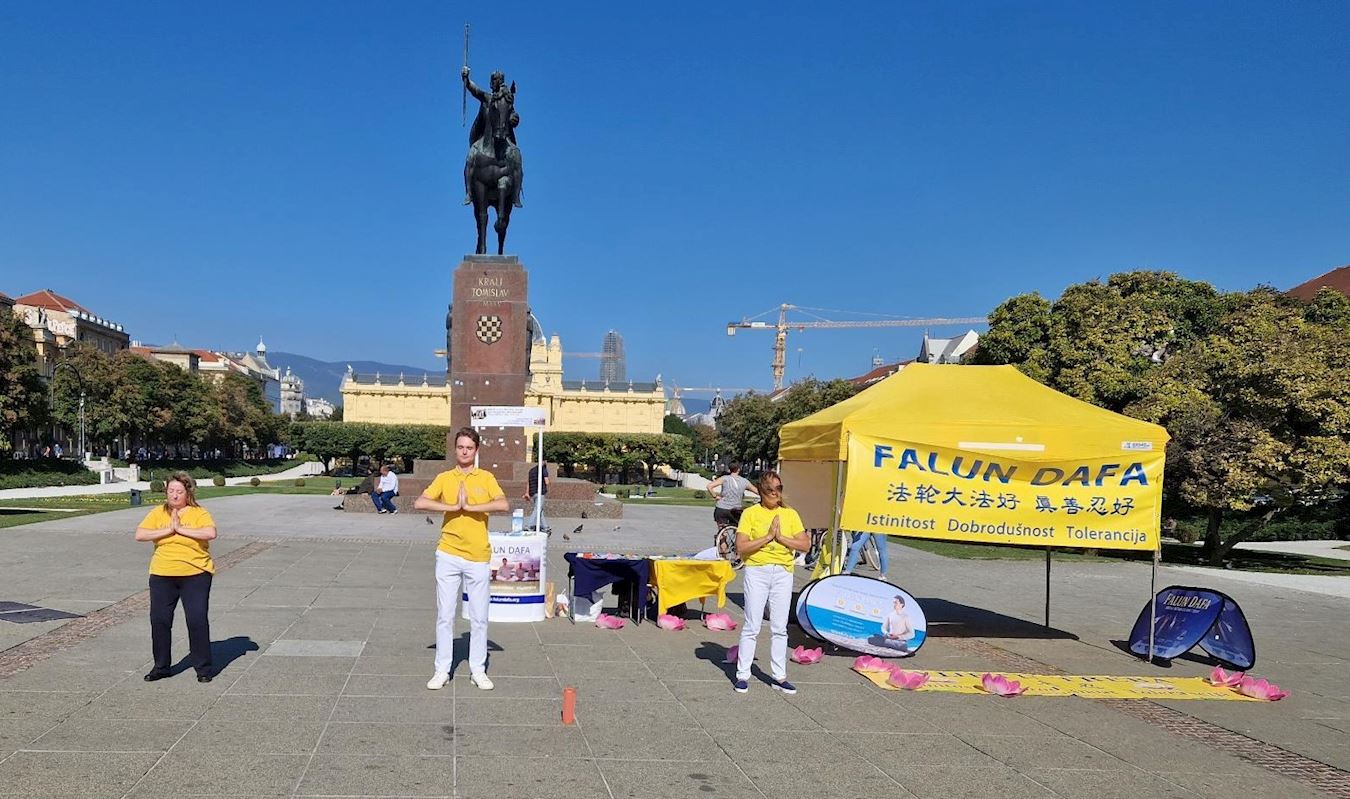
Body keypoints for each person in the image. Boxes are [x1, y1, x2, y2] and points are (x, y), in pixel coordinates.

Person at [415, 427, 508, 691]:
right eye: (460, 447)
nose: (464, 452)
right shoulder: (445, 478)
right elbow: (421, 502)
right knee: (445, 615)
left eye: (469, 447)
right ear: (455, 449)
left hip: (477, 555)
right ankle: (442, 669)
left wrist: (472, 508)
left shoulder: (486, 478)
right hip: (449, 553)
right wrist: (453, 507)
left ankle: (478, 670)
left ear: (476, 450)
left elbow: (503, 504)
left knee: (479, 617)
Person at [134, 471, 218, 683]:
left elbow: (210, 533)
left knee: (196, 619)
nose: (174, 495)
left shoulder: (199, 513)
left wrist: (180, 529)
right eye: (171, 491)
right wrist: (168, 530)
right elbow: (140, 535)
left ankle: (203, 668)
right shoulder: (157, 512)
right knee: (160, 620)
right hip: (162, 574)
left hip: (195, 574)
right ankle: (161, 667)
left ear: (188, 492)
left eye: (179, 491)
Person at [733, 470, 810, 694]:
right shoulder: (750, 514)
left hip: (783, 573)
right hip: (757, 571)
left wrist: (781, 538)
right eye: (770, 489)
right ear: (761, 491)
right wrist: (767, 537)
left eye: (779, 489)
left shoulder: (790, 514)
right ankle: (742, 674)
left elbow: (805, 544)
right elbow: (741, 547)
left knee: (779, 627)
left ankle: (779, 676)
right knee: (752, 624)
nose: (775, 493)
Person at [462, 67, 524, 208]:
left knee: (517, 157)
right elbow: (474, 90)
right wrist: (466, 78)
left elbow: (513, 114)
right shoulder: (486, 98)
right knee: (470, 157)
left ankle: (516, 196)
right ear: (491, 83)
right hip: (486, 137)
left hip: (504, 136)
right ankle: (469, 192)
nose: (497, 82)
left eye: (499, 79)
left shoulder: (507, 99)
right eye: (495, 80)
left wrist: (514, 118)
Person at [708, 461, 756, 532]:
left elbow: (709, 486)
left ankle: (721, 537)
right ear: (739, 469)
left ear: (729, 469)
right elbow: (757, 491)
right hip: (736, 510)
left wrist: (715, 496)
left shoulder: (724, 478)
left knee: (722, 531)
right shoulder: (744, 481)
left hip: (722, 508)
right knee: (739, 530)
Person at [524, 461, 550, 532]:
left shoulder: (531, 470)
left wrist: (527, 493)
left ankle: (545, 527)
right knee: (537, 509)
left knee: (540, 510)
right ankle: (529, 525)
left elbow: (528, 483)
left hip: (533, 493)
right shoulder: (543, 469)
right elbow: (547, 482)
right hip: (540, 492)